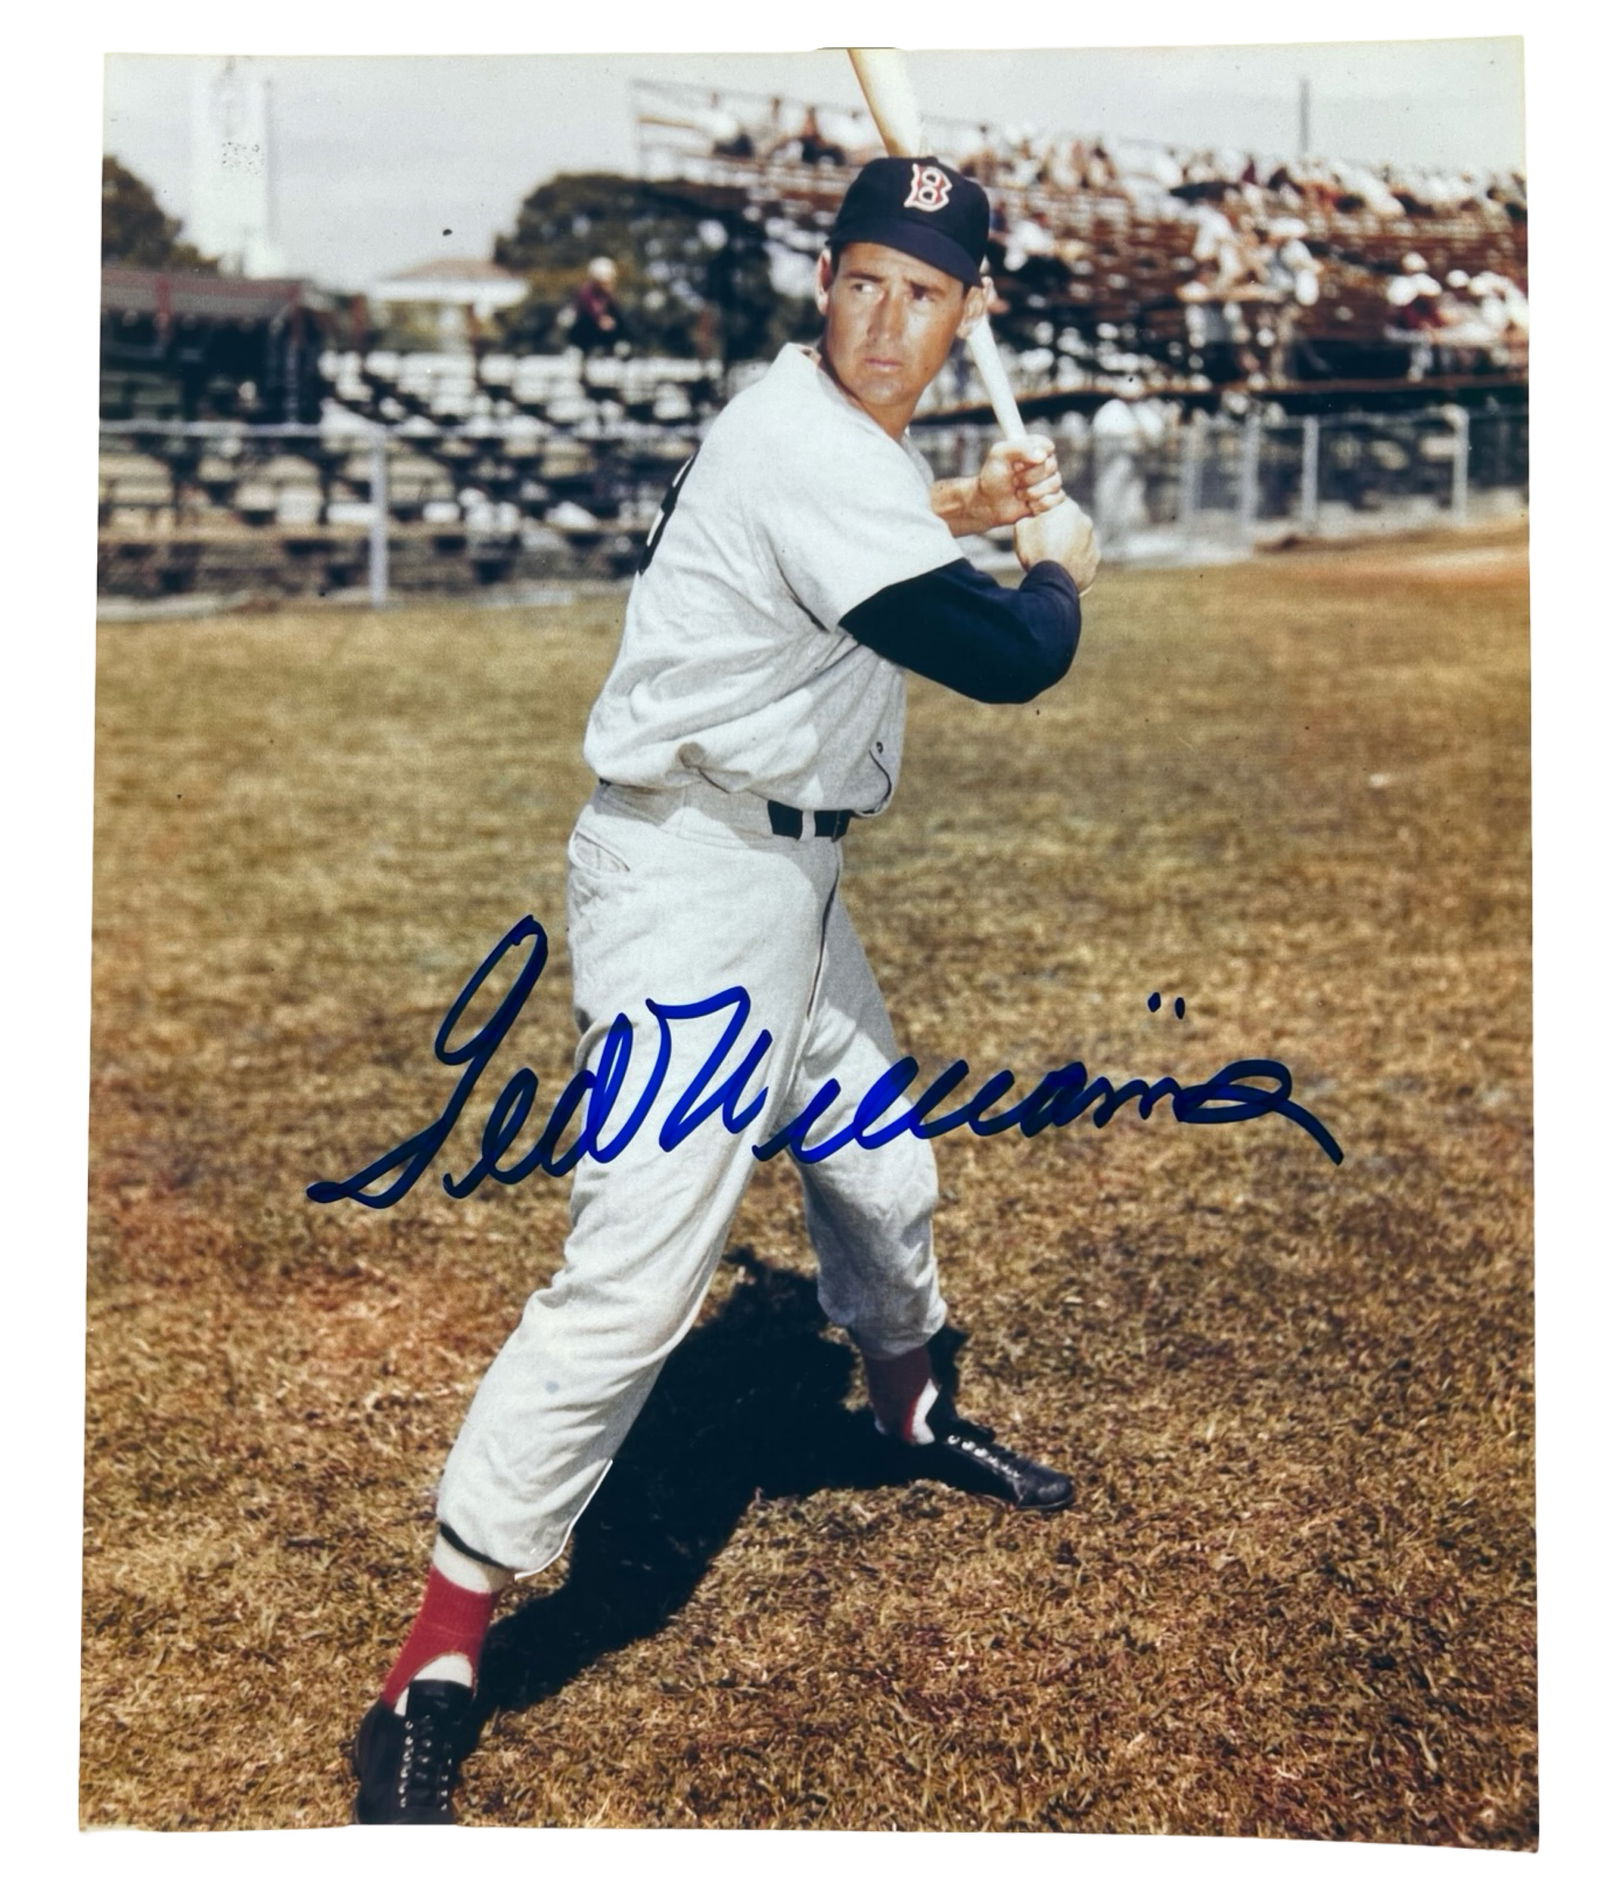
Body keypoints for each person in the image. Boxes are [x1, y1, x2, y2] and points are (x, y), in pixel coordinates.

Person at [350, 154, 1101, 1827]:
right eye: (864, 283)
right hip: (693, 890)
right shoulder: (802, 435)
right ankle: (438, 1652)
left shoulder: (818, 436)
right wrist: (1063, 568)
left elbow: (833, 539)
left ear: (964, 310)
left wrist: (972, 512)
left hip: (791, 883)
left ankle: (906, 1417)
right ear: (820, 284)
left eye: (926, 296)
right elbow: (1010, 661)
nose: (889, 323)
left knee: (887, 1170)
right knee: (635, 1276)